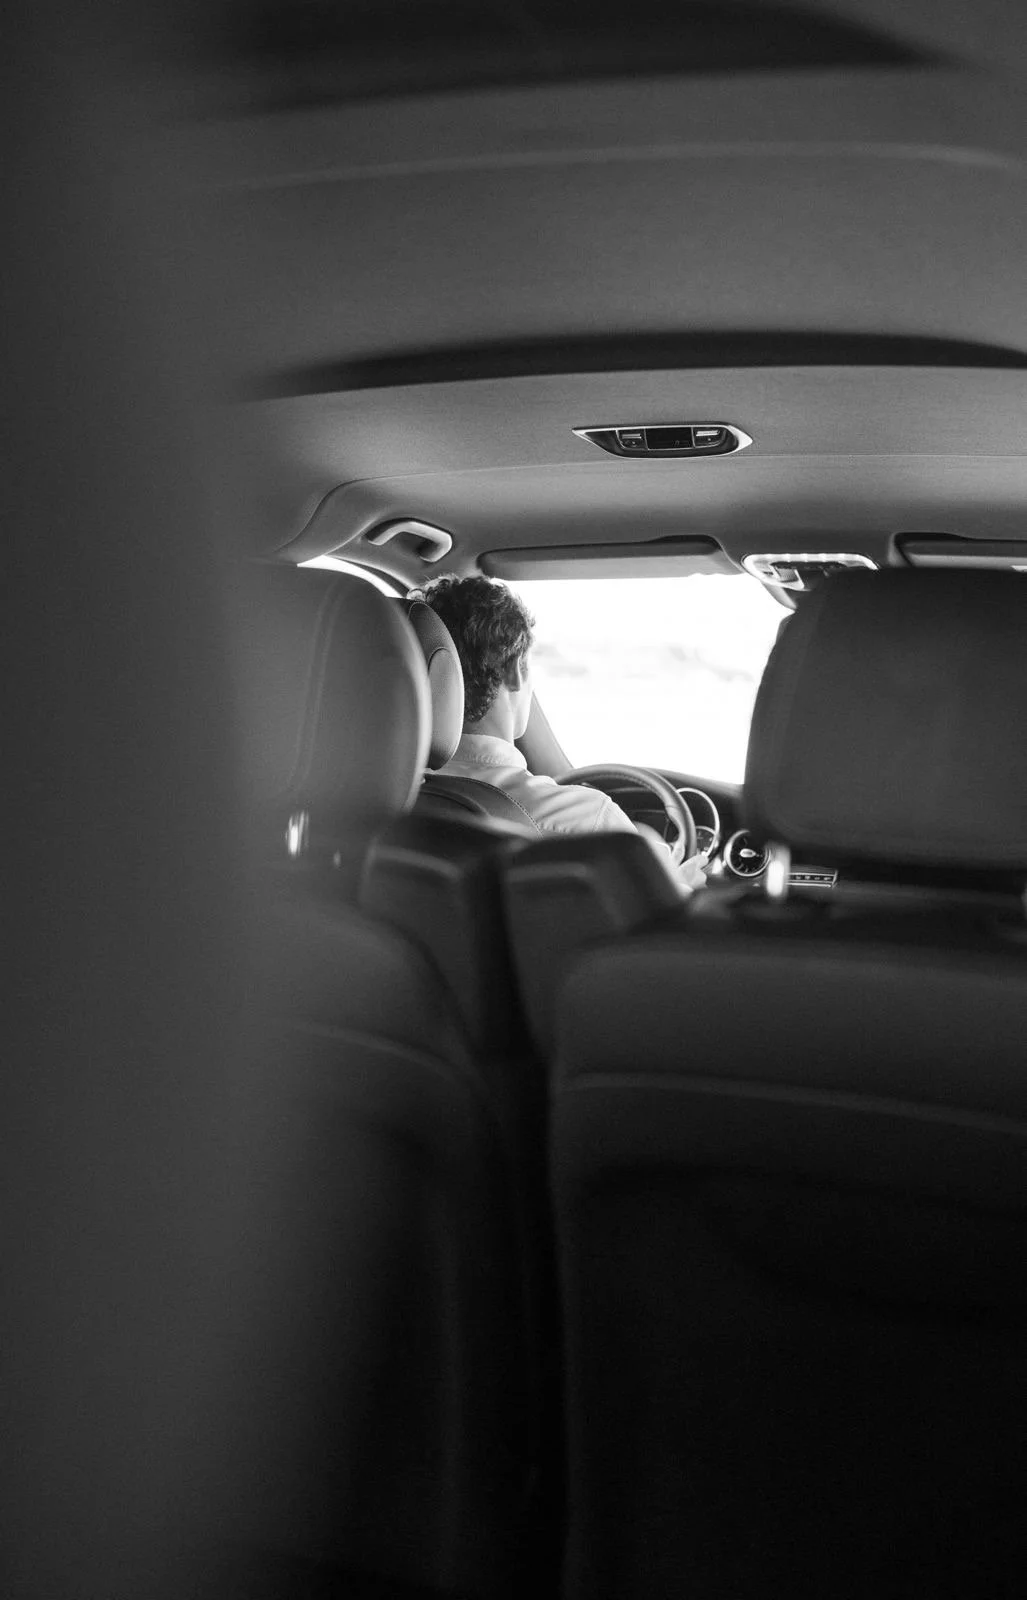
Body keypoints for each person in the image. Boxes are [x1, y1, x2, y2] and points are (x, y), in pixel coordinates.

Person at [415, 574, 707, 892]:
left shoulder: (388, 802)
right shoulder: (589, 821)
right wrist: (685, 883)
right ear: (514, 672)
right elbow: (659, 918)